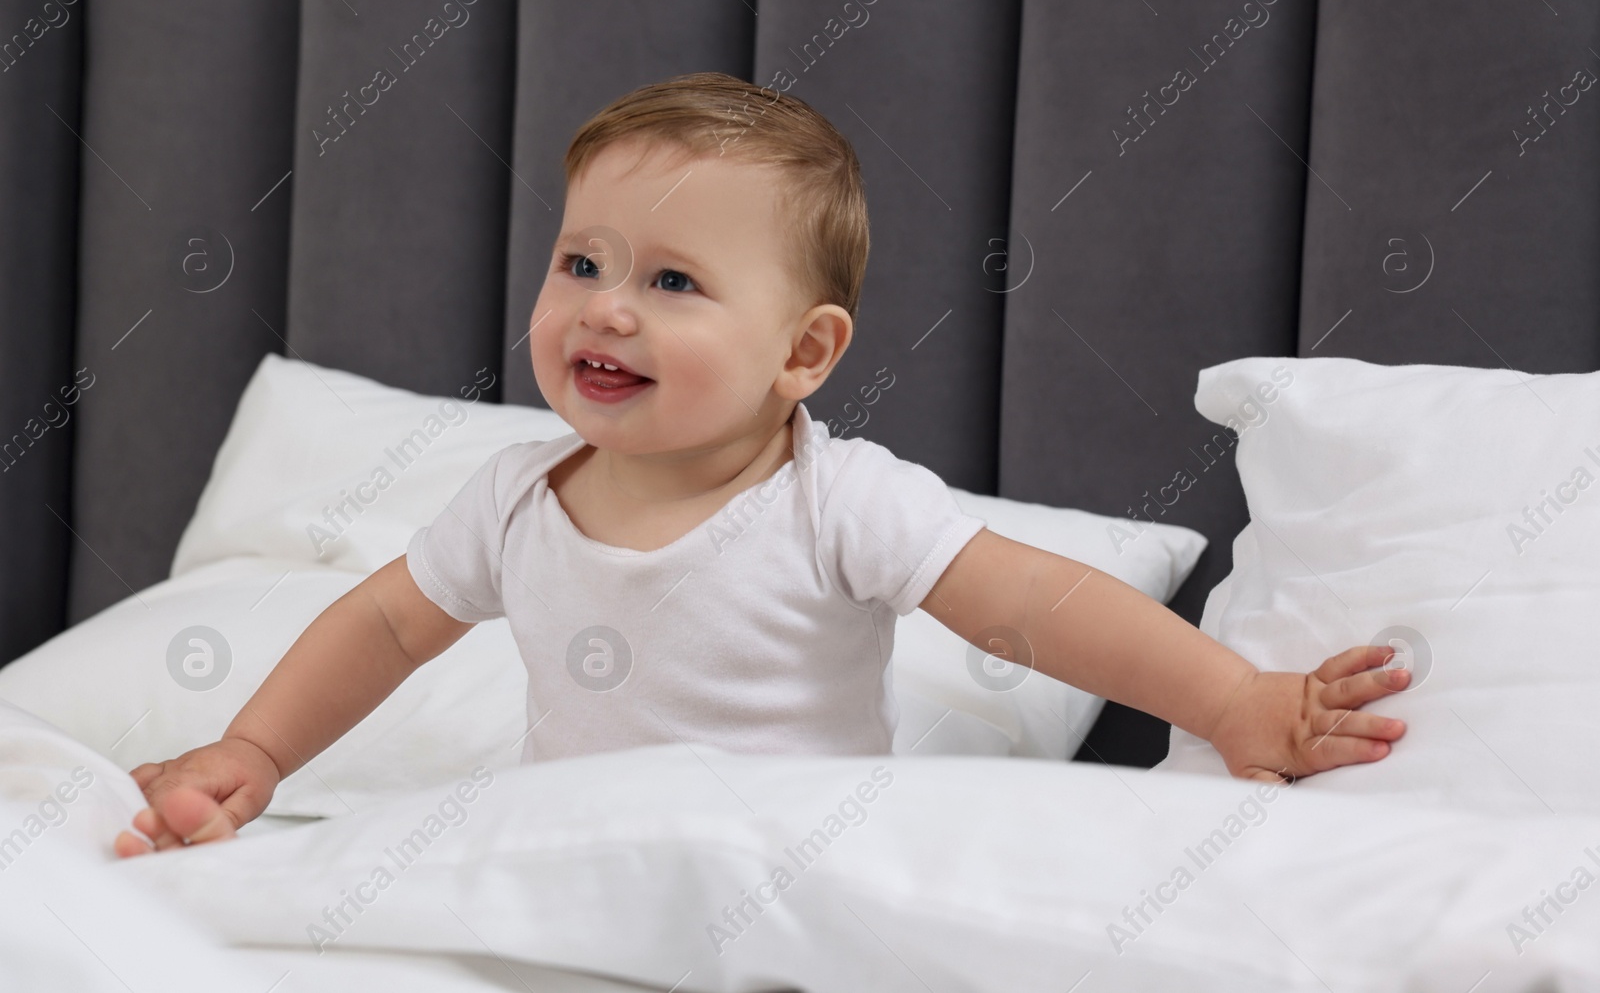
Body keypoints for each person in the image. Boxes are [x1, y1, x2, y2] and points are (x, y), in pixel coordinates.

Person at [114, 72, 1406, 856]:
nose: (606, 310)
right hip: (573, 862)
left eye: (673, 281)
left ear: (805, 352)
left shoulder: (835, 502)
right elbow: (387, 625)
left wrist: (1234, 700)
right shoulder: (515, 498)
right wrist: (258, 751)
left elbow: (1035, 607)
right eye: (583, 264)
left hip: (779, 866)